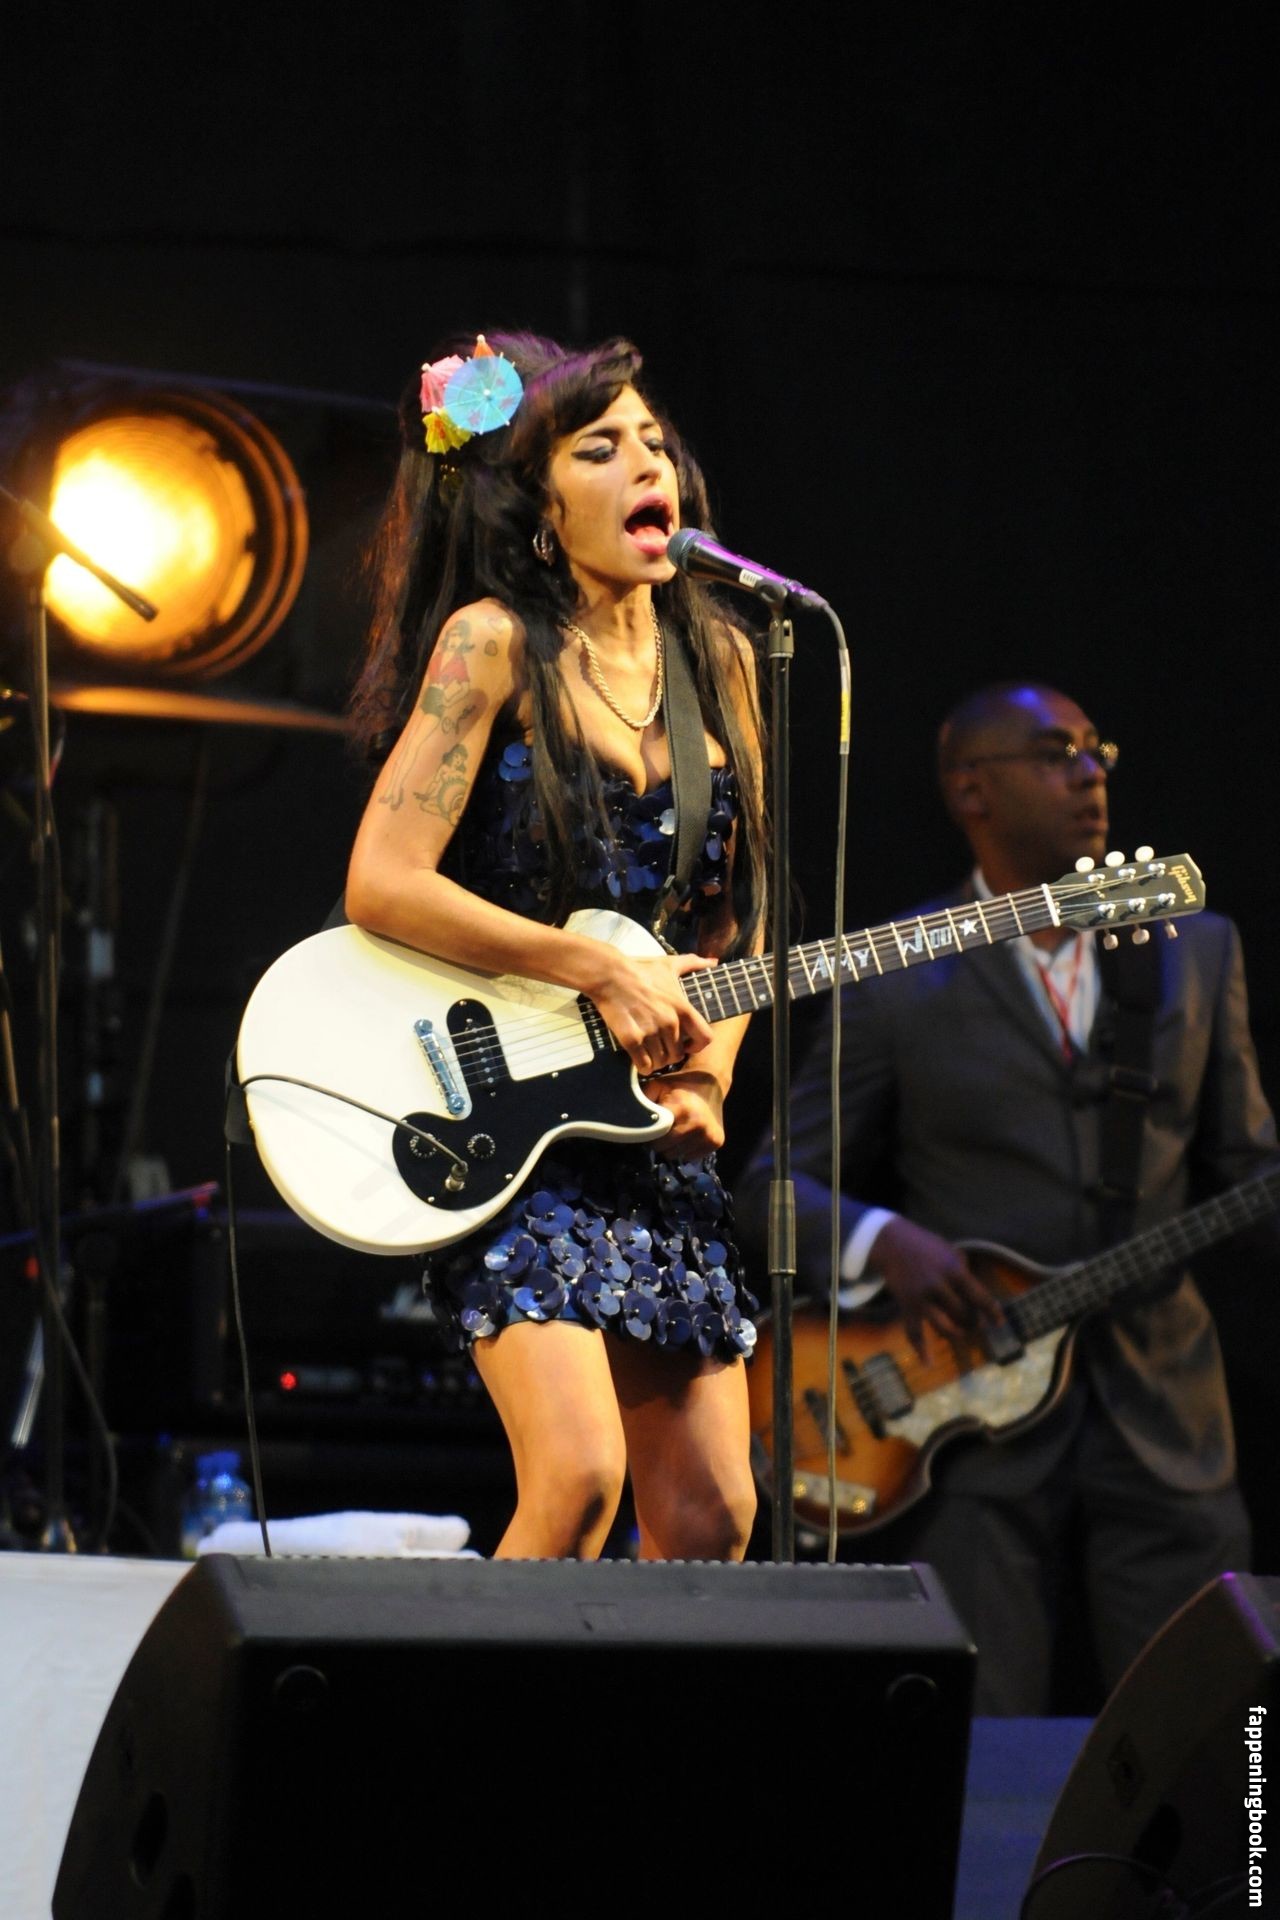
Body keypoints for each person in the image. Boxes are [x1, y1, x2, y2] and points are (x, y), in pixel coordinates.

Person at [736, 681, 1277, 1712]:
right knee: (981, 1748)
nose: (1091, 774)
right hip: (963, 1426)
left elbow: (1250, 1169)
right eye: (1056, 752)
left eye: (1096, 750)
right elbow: (770, 1189)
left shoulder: (1195, 946)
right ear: (969, 791)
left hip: (1164, 1412)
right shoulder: (898, 973)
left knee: (1211, 1743)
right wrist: (882, 1240)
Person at [344, 330, 766, 1562]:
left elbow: (735, 921)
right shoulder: (491, 642)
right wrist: (589, 965)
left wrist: (707, 1080)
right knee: (578, 1478)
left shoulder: (720, 657)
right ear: (535, 503)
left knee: (713, 1515)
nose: (646, 464)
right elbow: (382, 880)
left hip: (643, 1122)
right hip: (506, 1114)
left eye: (654, 442)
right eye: (600, 447)